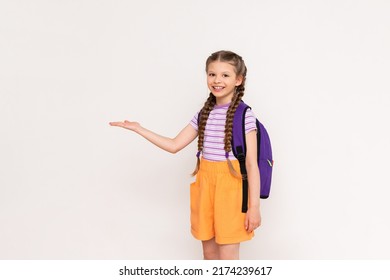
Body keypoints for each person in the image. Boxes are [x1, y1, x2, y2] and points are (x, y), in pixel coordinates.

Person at [109, 50, 261, 260]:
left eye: (225, 75)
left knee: (228, 255)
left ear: (238, 80)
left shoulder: (245, 115)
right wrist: (139, 129)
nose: (217, 80)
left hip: (231, 190)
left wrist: (254, 208)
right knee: (208, 253)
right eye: (212, 74)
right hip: (205, 184)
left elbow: (252, 165)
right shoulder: (204, 113)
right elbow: (174, 145)